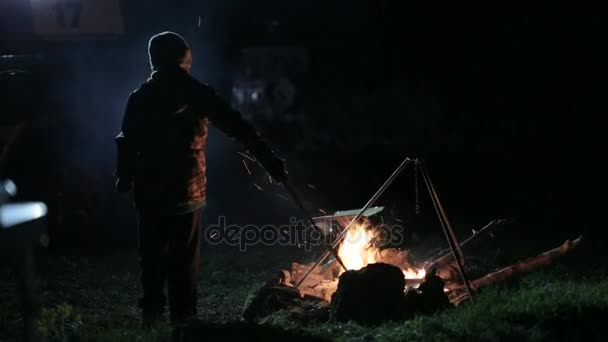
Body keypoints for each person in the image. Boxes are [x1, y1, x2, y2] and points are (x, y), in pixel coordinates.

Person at [113, 31, 287, 327]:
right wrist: (268, 159)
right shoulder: (197, 92)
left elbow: (127, 141)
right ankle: (185, 318)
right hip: (187, 191)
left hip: (150, 192)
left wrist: (125, 175)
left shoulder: (140, 96)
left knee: (152, 256)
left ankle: (152, 314)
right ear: (185, 59)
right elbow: (237, 126)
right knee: (184, 259)